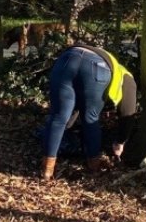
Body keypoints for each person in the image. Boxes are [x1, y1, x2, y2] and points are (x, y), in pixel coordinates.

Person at [40, 44, 137, 180]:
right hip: (98, 68)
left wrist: (65, 128)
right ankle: (94, 168)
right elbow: (128, 112)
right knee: (91, 118)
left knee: (58, 117)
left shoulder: (112, 63)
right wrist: (120, 141)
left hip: (67, 58)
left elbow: (73, 109)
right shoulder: (126, 76)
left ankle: (47, 171)